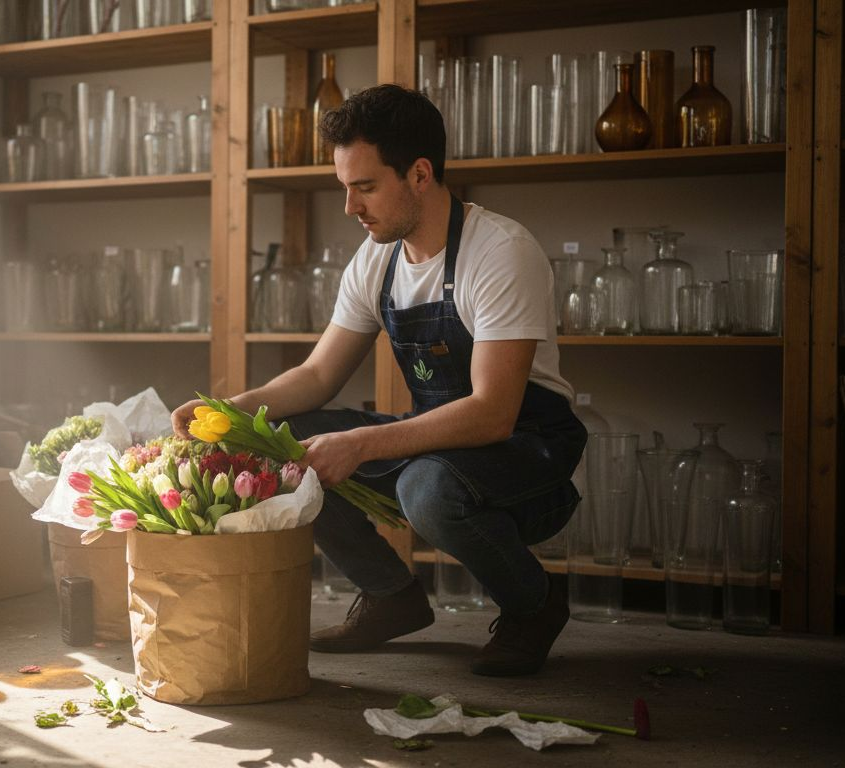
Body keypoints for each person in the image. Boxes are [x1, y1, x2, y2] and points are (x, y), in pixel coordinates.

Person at [171, 84, 585, 677]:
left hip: (528, 447)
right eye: (345, 188)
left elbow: (494, 411)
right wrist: (233, 412)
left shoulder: (500, 252)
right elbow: (317, 375)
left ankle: (534, 606)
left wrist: (362, 443)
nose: (350, 207)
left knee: (426, 489)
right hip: (440, 443)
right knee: (281, 439)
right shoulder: (377, 259)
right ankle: (391, 596)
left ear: (419, 174)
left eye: (364, 187)